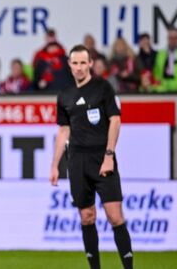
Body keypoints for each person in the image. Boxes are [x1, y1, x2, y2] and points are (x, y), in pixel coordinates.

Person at [49, 45, 133, 269]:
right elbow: (63, 131)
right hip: (77, 161)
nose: (78, 67)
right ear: (69, 65)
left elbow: (115, 121)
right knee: (87, 216)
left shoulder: (103, 88)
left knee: (115, 216)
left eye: (82, 63)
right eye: (74, 63)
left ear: (90, 64)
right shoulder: (65, 95)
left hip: (102, 158)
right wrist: (55, 165)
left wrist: (109, 155)